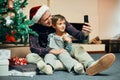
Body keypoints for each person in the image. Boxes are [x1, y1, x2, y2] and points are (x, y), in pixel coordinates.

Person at [26, 4, 115, 75]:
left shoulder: (58, 20)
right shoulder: (33, 28)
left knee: (77, 48)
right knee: (30, 57)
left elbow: (78, 35)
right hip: (48, 54)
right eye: (46, 20)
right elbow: (34, 48)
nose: (50, 20)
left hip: (64, 50)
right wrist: (52, 50)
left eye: (50, 16)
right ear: (38, 21)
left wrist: (85, 33)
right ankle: (69, 64)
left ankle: (91, 65)